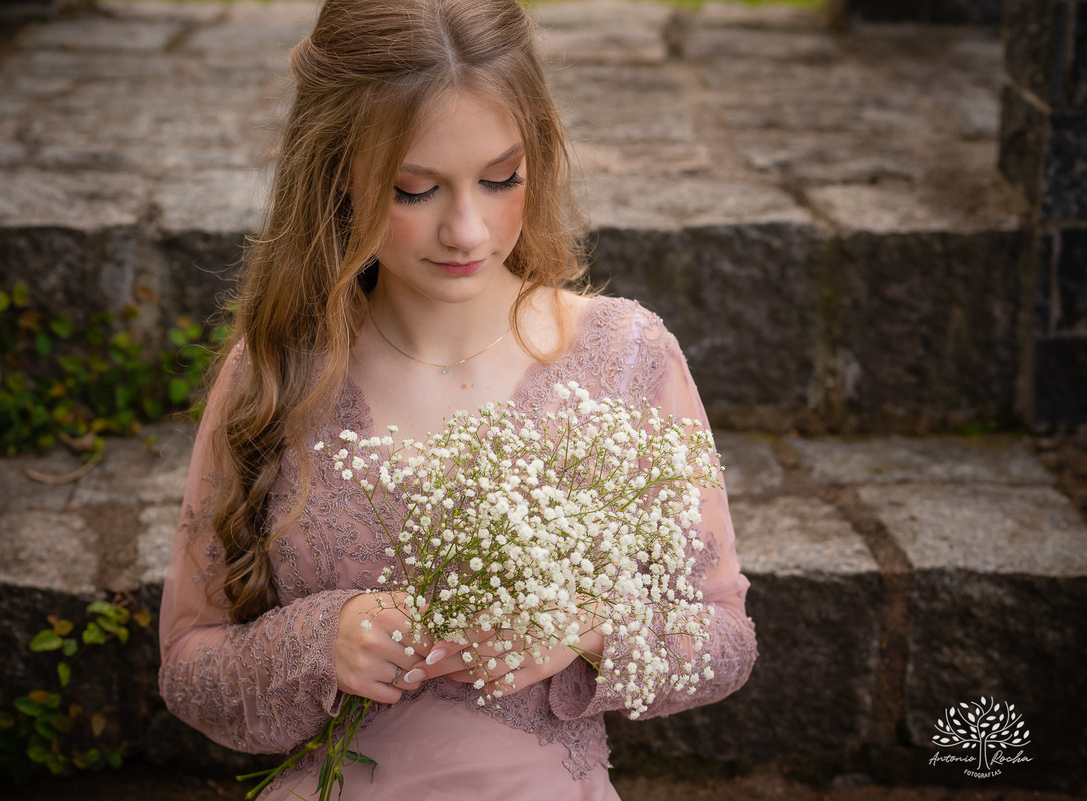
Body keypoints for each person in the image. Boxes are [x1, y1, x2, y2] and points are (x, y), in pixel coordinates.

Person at [157, 1, 758, 798]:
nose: (467, 230)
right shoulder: (273, 373)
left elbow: (725, 639)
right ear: (337, 175)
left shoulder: (626, 356)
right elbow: (189, 662)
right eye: (414, 191)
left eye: (500, 178)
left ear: (535, 159)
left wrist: (587, 627)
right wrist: (317, 640)